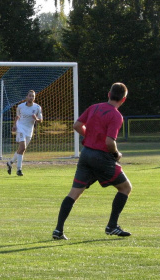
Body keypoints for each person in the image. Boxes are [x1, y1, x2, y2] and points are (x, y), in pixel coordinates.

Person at [52, 82, 132, 240]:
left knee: (74, 193)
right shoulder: (116, 115)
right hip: (101, 157)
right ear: (123, 100)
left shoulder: (94, 107)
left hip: (86, 154)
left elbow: (77, 125)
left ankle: (58, 230)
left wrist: (89, 136)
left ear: (109, 94)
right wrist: (116, 153)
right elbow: (110, 142)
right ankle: (112, 226)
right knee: (125, 188)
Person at [6, 90, 43, 176]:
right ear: (26, 97)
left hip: (29, 130)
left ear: (34, 98)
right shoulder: (20, 106)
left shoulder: (37, 107)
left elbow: (41, 120)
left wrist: (36, 119)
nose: (31, 97)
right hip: (20, 128)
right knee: (22, 147)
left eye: (33, 96)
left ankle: (10, 163)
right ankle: (19, 170)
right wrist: (14, 125)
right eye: (30, 96)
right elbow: (17, 116)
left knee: (22, 149)